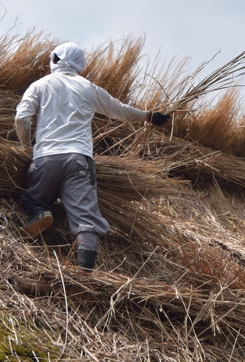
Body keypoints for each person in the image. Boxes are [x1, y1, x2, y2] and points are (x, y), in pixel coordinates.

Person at [14, 42, 171, 271]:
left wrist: (27, 146)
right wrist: (148, 116)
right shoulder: (89, 88)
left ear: (56, 60)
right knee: (86, 220)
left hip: (45, 159)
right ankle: (85, 272)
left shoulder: (40, 85)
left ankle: (40, 212)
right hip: (79, 161)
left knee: (32, 198)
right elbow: (118, 109)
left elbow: (22, 118)